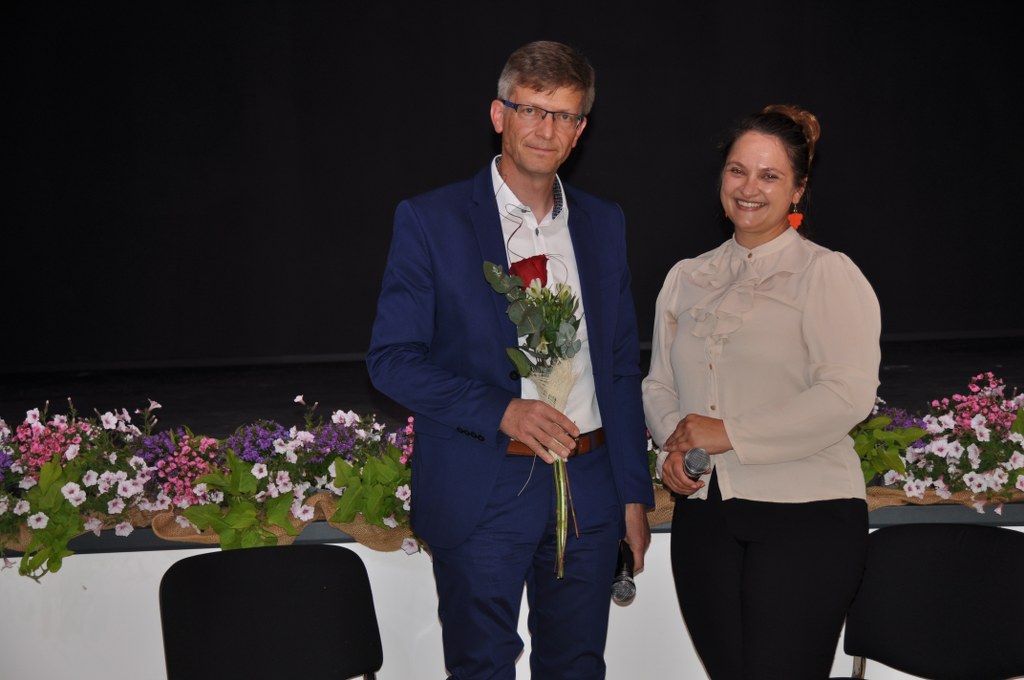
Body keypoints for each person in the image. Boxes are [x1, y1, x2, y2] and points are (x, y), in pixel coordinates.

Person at [366, 40, 654, 679]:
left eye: (564, 115)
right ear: (499, 115)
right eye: (531, 110)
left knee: (577, 667)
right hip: (485, 482)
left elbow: (618, 368)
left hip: (590, 482)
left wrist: (633, 495)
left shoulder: (604, 223)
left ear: (580, 131)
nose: (546, 129)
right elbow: (391, 360)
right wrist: (502, 410)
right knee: (482, 668)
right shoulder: (431, 220)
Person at [642, 104, 881, 679]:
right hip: (705, 519)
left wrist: (728, 433)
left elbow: (846, 394)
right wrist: (676, 445)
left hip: (809, 515)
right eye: (737, 170)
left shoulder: (827, 273)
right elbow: (658, 383)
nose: (749, 188)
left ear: (798, 190)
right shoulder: (685, 277)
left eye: (769, 175)